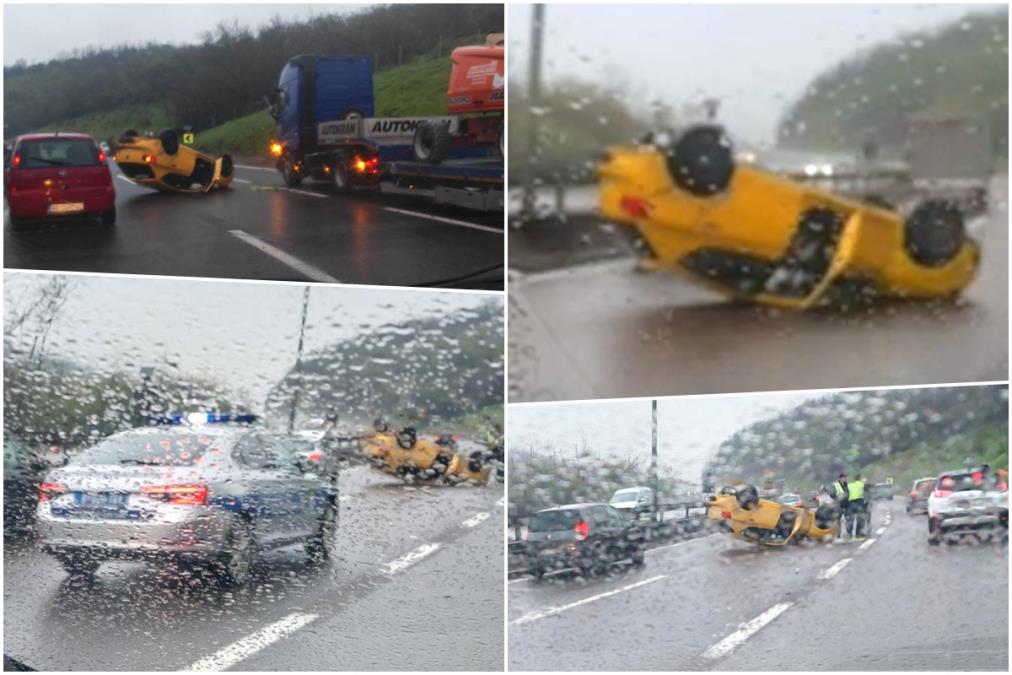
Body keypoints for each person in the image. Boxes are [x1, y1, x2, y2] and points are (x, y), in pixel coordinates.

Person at [847, 474, 868, 538]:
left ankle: (849, 534)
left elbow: (846, 493)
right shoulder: (862, 484)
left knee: (850, 519)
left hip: (851, 503)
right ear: (859, 478)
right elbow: (867, 493)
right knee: (860, 519)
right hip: (859, 502)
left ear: (854, 479)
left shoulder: (849, 485)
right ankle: (858, 534)